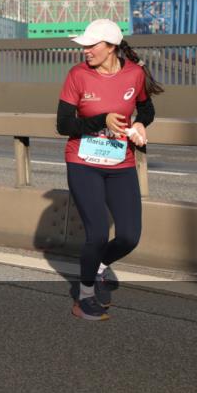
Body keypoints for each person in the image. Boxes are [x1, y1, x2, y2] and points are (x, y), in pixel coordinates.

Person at [57, 19, 162, 321]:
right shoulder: (78, 75)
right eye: (85, 45)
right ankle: (85, 294)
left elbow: (147, 108)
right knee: (98, 234)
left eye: (92, 45)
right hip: (83, 162)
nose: (86, 50)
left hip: (121, 163)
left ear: (112, 47)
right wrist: (101, 120)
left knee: (129, 236)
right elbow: (63, 125)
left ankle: (98, 266)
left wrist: (141, 123)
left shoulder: (135, 74)